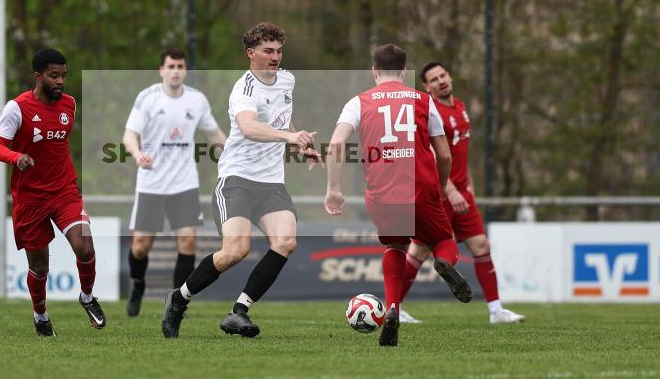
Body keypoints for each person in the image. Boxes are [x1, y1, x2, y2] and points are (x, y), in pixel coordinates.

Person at [160, 22, 321, 339]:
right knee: (235, 250)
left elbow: (278, 121)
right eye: (267, 51)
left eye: (278, 51)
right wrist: (290, 137)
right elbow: (249, 127)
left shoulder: (287, 79)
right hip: (236, 180)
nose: (275, 57)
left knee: (286, 242)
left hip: (271, 182)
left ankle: (238, 312)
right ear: (251, 53)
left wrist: (300, 144)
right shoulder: (243, 89)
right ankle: (179, 299)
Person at [324, 44, 472, 347]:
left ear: (374, 71)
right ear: (405, 72)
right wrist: (441, 186)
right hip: (421, 188)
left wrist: (334, 189)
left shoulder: (358, 102)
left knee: (395, 246)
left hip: (381, 194)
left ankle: (392, 308)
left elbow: (337, 144)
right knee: (443, 242)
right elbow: (444, 154)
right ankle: (442, 264)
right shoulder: (424, 100)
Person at [0, 48, 105, 337]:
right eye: (54, 76)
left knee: (85, 246)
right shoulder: (17, 108)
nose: (61, 82)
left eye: (64, 76)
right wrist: (17, 157)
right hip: (30, 199)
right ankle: (40, 315)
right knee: (39, 268)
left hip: (64, 192)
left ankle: (88, 297)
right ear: (38, 76)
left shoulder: (70, 105)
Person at [398, 62, 525, 325]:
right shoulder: (430, 110)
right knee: (420, 250)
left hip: (462, 193)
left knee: (481, 245)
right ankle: (394, 307)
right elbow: (433, 155)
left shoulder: (461, 107)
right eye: (434, 79)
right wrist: (451, 189)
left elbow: (459, 155)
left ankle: (496, 310)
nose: (441, 81)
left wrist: (469, 186)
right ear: (426, 87)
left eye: (443, 75)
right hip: (441, 193)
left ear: (450, 76)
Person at [122, 48, 227, 317]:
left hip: (184, 183)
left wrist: (235, 154)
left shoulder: (197, 100)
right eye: (171, 66)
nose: (176, 71)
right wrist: (137, 154)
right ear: (161, 70)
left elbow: (215, 134)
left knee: (188, 243)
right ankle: (138, 283)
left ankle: (176, 303)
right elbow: (129, 135)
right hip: (151, 184)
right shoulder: (148, 98)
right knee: (141, 246)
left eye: (180, 66)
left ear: (185, 70)